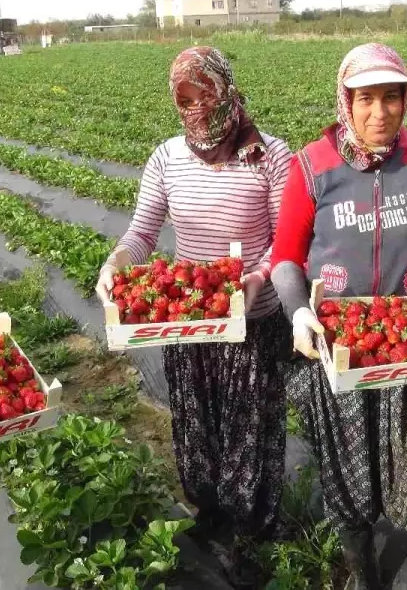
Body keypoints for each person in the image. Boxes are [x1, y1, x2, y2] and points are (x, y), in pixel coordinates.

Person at [270, 43, 407, 589]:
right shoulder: (313, 166)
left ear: (405, 99)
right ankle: (362, 573)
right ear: (346, 100)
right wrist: (297, 312)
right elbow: (285, 258)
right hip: (339, 343)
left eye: (391, 97)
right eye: (366, 99)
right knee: (346, 475)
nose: (379, 112)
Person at [95, 46, 293, 587]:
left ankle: (252, 532)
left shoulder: (270, 156)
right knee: (196, 424)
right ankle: (210, 513)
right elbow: (141, 233)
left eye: (207, 95)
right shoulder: (165, 158)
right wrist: (117, 263)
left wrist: (256, 280)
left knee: (248, 429)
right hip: (187, 319)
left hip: (252, 318)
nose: (198, 110)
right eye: (186, 100)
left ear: (228, 89)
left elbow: (288, 245)